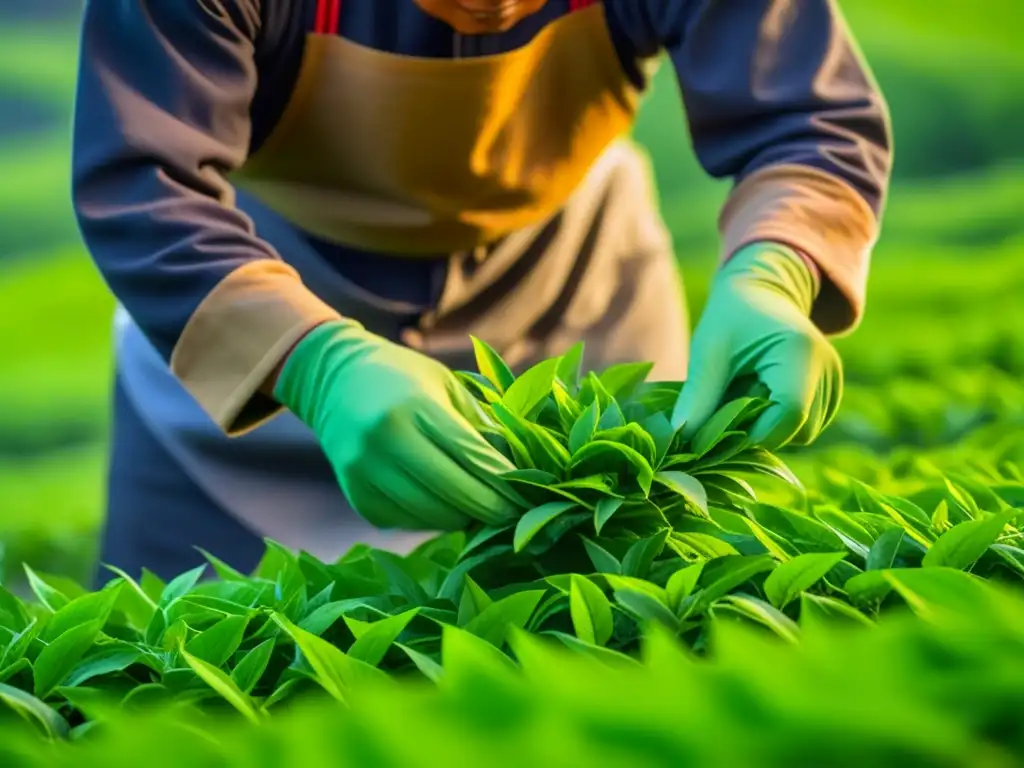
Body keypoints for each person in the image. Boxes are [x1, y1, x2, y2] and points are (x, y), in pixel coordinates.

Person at [72, 0, 892, 582]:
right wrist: (312, 362)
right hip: (260, 308)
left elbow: (809, 120)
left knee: (611, 632)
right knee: (188, 673)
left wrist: (777, 269)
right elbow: (144, 179)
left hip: (577, 291)